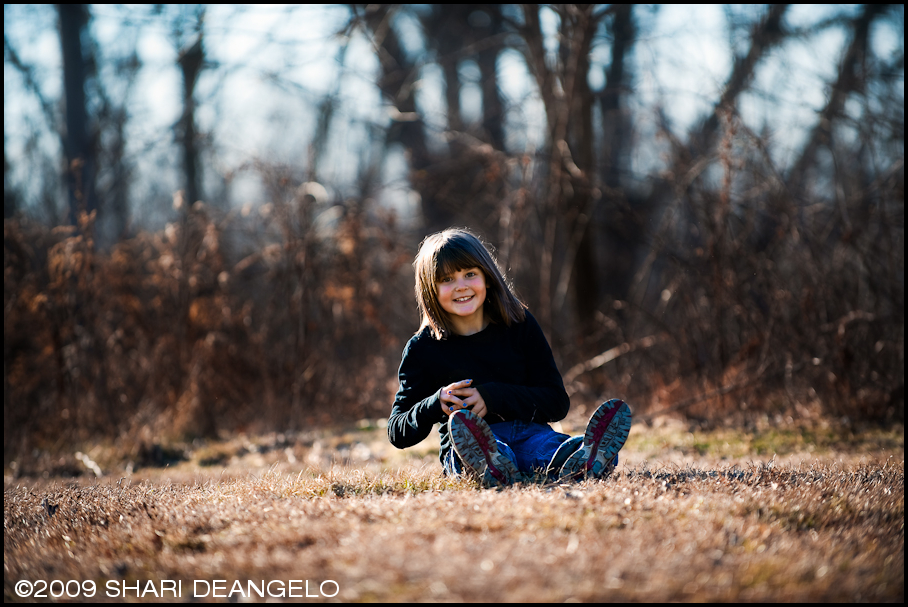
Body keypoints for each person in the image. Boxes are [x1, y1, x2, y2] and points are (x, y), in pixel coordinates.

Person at [387, 227, 632, 487]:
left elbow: (556, 402)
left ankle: (584, 456)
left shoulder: (519, 325)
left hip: (530, 433)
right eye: (447, 279)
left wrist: (492, 397)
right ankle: (490, 465)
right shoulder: (423, 348)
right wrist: (436, 404)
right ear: (429, 289)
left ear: (488, 277)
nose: (461, 286)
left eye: (470, 274)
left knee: (547, 448)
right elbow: (397, 430)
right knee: (478, 451)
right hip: (468, 443)